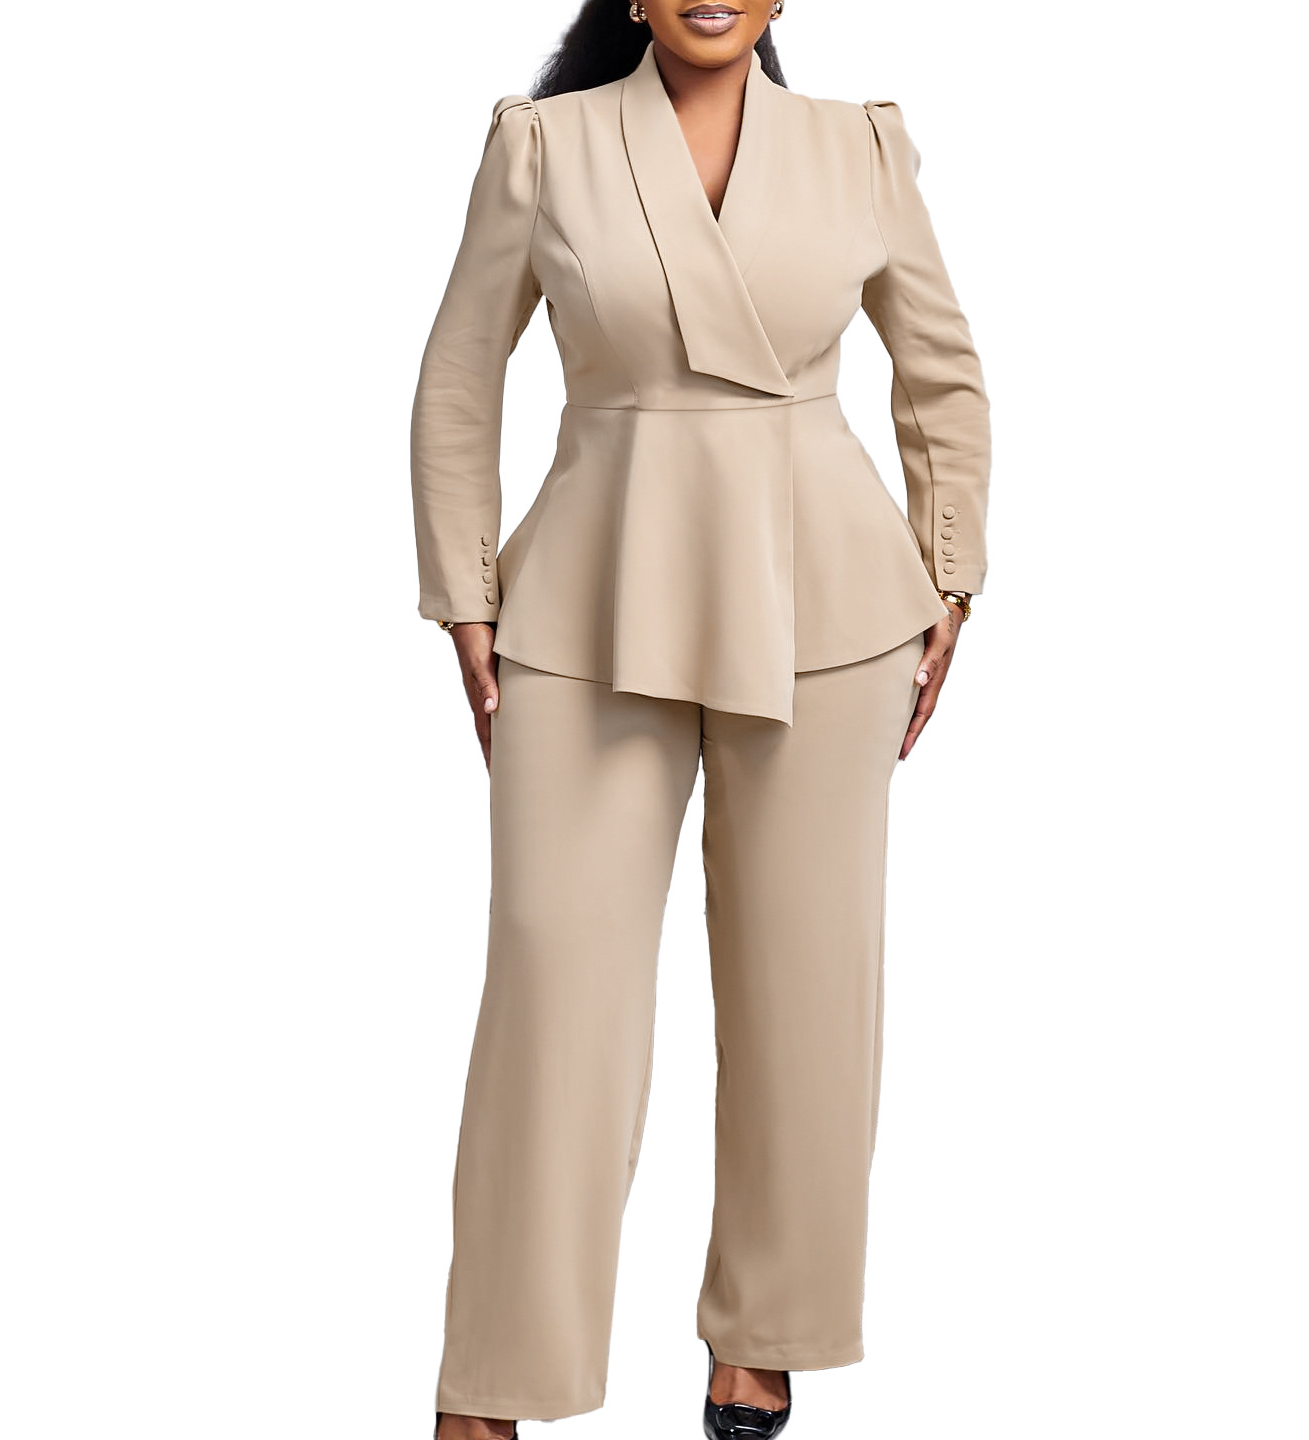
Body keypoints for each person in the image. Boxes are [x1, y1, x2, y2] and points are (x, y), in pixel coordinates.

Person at [409, 3, 991, 1436]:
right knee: (554, 979)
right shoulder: (541, 146)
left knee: (810, 981)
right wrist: (466, 594)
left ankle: (765, 1335)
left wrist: (950, 571)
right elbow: (458, 377)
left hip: (828, 598)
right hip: (593, 594)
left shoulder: (861, 150)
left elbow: (940, 370)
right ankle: (497, 1373)